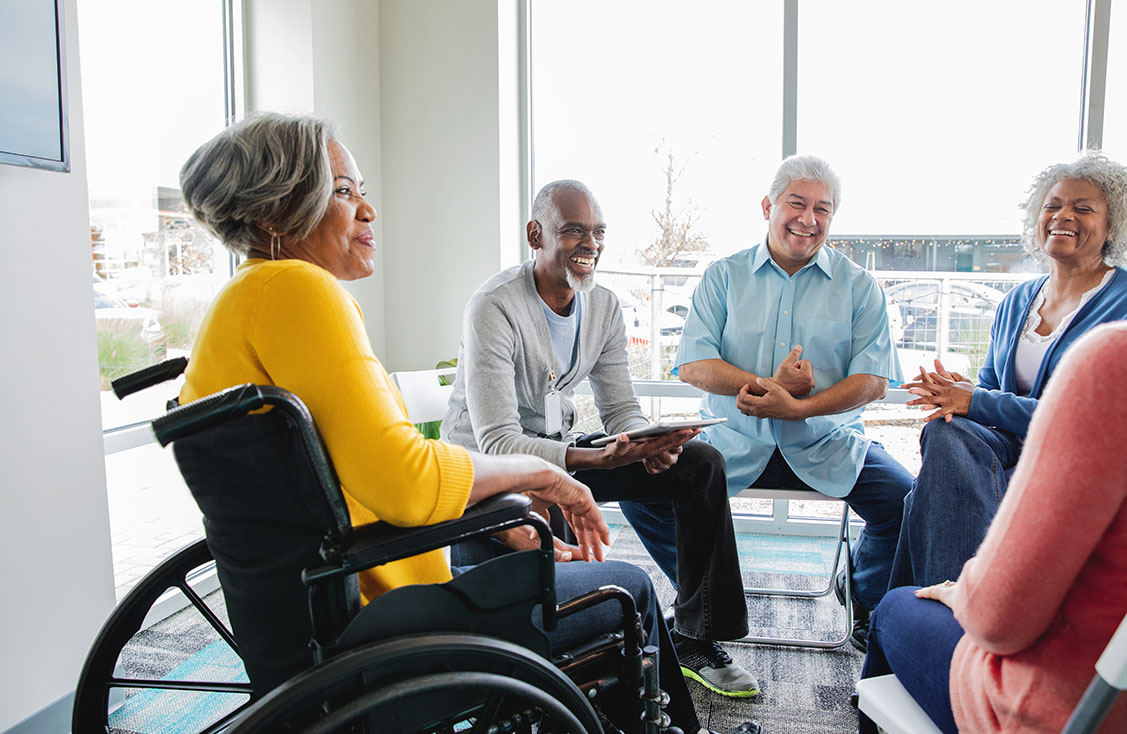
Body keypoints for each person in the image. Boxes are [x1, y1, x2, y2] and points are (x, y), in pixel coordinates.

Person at [178, 114, 754, 734]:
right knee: (625, 589)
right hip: (384, 615)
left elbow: (364, 478)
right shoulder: (297, 290)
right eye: (342, 191)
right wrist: (539, 475)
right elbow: (404, 480)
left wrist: (511, 501)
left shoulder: (246, 301)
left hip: (331, 602)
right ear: (275, 215)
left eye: (361, 189)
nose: (368, 209)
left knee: (630, 524)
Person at [442, 179, 759, 698]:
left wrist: (649, 442)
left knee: (699, 464)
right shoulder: (494, 307)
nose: (590, 243)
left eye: (598, 232)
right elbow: (498, 442)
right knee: (555, 516)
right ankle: (581, 668)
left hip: (561, 451)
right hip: (493, 469)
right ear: (535, 234)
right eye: (574, 231)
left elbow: (619, 408)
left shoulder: (604, 307)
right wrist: (591, 461)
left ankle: (697, 637)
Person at [674, 155, 913, 652]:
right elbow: (694, 366)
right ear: (768, 206)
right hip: (731, 443)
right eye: (796, 204)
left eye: (822, 209)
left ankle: (863, 595)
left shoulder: (859, 286)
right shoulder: (723, 277)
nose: (808, 219)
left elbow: (874, 381)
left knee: (907, 501)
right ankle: (704, 599)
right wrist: (770, 387)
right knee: (648, 489)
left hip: (828, 443)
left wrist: (800, 409)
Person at [859, 321, 1127, 734]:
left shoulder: (1111, 358)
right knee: (943, 442)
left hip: (1061, 710)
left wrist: (962, 594)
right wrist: (969, 395)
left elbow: (996, 623)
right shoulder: (1019, 303)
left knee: (894, 607)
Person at [891, 151, 1127, 590]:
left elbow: (1091, 421)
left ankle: (937, 603)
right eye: (1053, 205)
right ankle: (954, 598)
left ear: (1112, 226)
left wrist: (976, 401)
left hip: (1075, 466)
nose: (1063, 216)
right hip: (1005, 454)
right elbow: (990, 388)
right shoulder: (1017, 301)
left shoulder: (1123, 304)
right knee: (945, 431)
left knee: (925, 494)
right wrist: (960, 392)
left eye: (1083, 208)